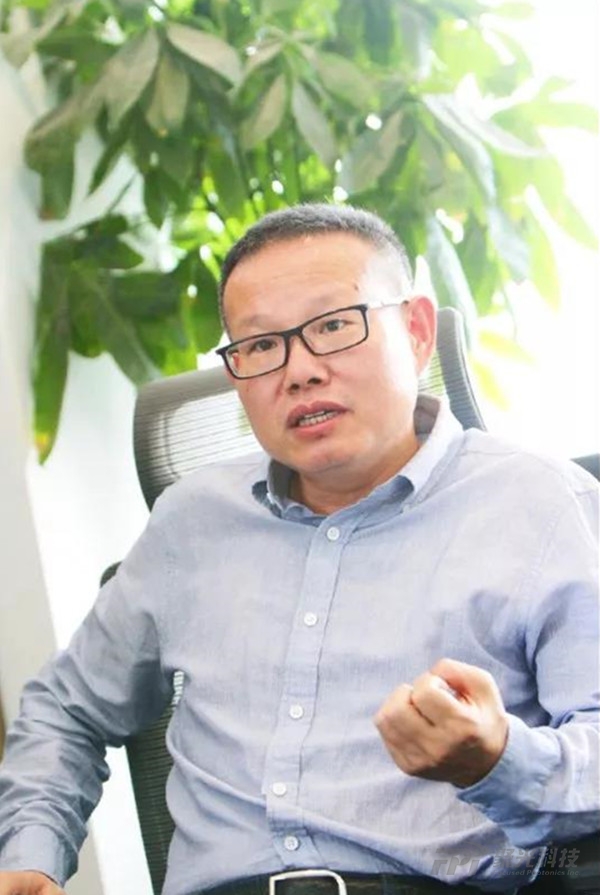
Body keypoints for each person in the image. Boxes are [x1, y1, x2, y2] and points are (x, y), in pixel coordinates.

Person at [0, 203, 598, 895]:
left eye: (334, 325)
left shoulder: (540, 503)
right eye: (260, 345)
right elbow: (66, 707)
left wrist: (498, 759)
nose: (300, 371)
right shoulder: (191, 521)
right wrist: (30, 856)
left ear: (416, 330)